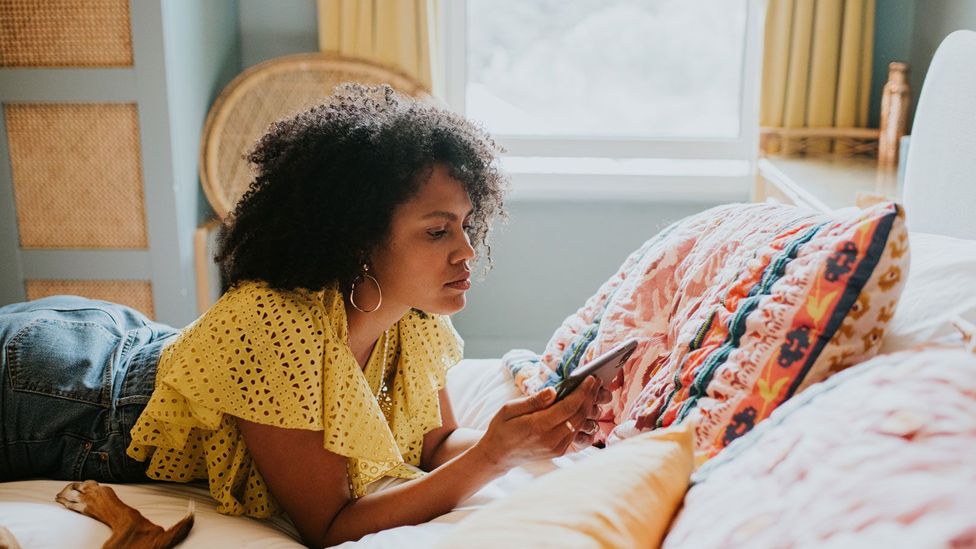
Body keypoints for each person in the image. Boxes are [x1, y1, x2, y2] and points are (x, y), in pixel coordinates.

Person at [0, 84, 608, 547]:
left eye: (466, 224)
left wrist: (527, 437)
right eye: (436, 231)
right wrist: (492, 458)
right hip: (57, 395)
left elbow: (434, 444)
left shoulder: (415, 320)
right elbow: (332, 525)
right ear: (358, 240)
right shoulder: (274, 328)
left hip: (111, 343)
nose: (467, 249)